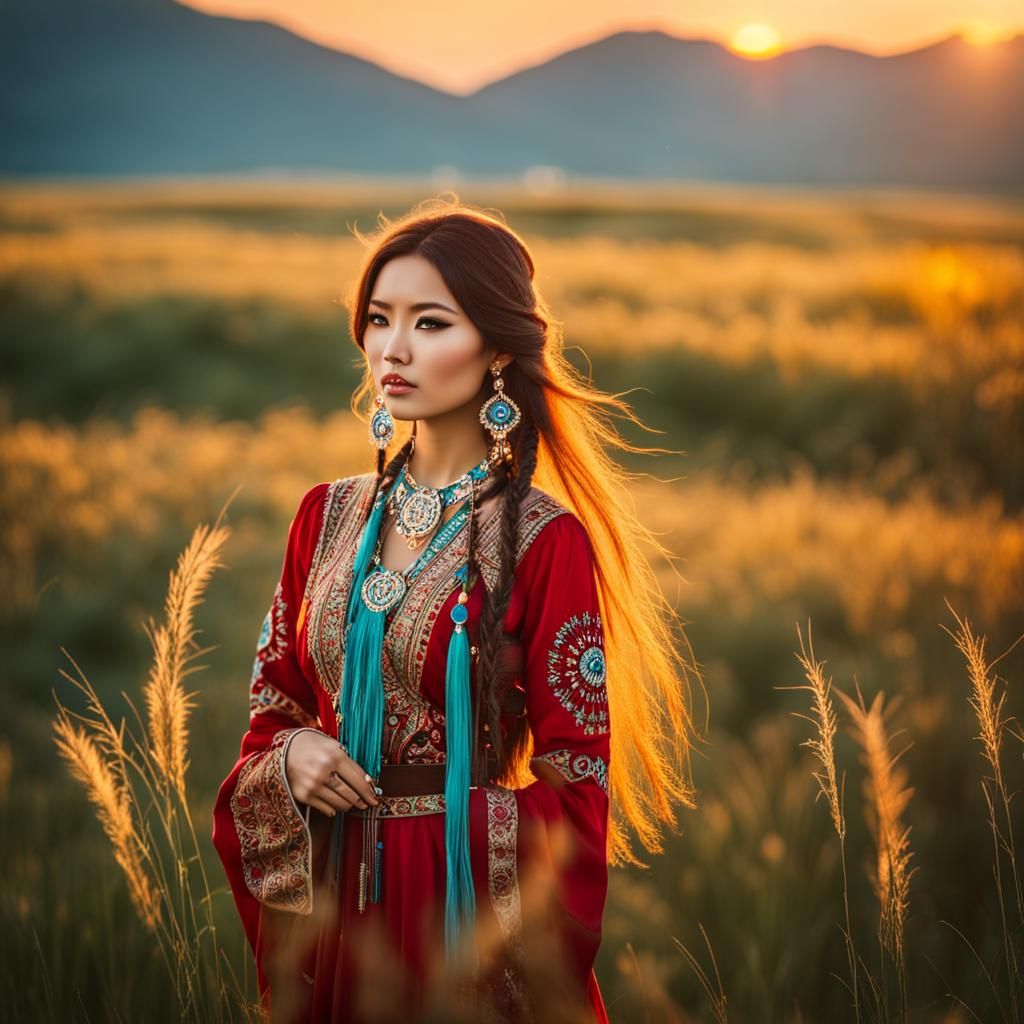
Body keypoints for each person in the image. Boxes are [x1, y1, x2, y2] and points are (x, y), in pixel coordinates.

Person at [212, 197, 700, 1024]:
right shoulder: (323, 517)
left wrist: (442, 829)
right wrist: (292, 758)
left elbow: (579, 785)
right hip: (337, 915)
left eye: (429, 324)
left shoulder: (543, 542)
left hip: (455, 911)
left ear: (499, 347)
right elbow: (272, 713)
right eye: (377, 319)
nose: (391, 349)